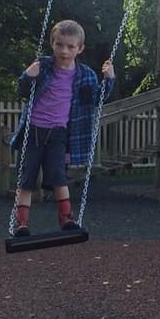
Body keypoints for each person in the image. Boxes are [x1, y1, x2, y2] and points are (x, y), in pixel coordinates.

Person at [9, 19, 115, 236]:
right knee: (26, 177)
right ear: (52, 43)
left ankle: (66, 219)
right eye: (59, 45)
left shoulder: (86, 75)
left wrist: (110, 78)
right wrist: (28, 75)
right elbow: (22, 90)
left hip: (59, 132)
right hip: (33, 130)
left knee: (58, 175)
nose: (64, 51)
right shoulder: (43, 67)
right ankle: (21, 223)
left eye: (70, 46)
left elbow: (97, 99)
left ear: (80, 48)